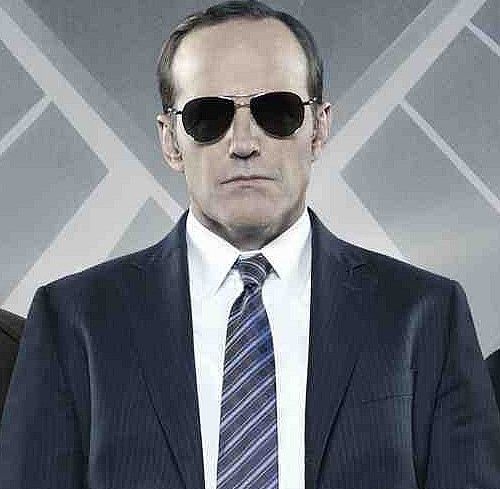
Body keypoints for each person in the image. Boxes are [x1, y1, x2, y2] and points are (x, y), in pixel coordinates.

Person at [1, 1, 499, 488]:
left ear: (319, 128)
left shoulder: (426, 314)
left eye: (277, 112)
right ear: (171, 140)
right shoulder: (73, 322)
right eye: (207, 116)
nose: (243, 143)